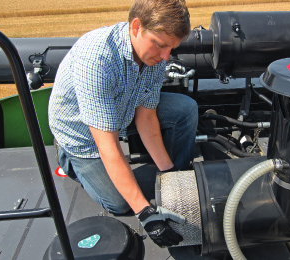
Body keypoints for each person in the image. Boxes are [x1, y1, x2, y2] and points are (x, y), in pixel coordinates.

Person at [48, 0, 197, 248]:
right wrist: (146, 213)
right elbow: (107, 145)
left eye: (171, 48)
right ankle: (68, 160)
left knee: (185, 110)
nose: (165, 57)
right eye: (160, 46)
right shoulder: (96, 58)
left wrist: (169, 171)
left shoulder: (154, 58)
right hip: (85, 137)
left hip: (122, 112)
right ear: (137, 26)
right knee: (120, 203)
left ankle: (175, 181)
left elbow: (146, 116)